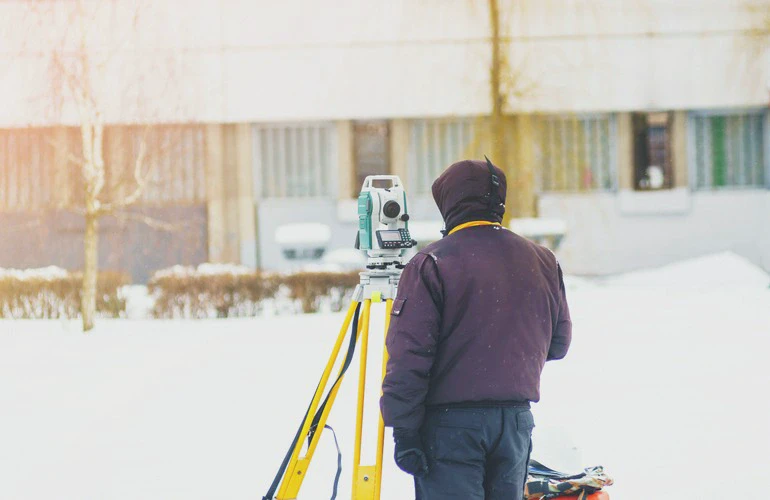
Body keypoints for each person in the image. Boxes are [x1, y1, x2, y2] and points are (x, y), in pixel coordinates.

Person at [380, 159, 572, 499]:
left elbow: (410, 356)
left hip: (450, 428)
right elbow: (558, 344)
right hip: (515, 425)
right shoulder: (543, 260)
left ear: (449, 202)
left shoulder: (433, 263)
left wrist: (404, 429)